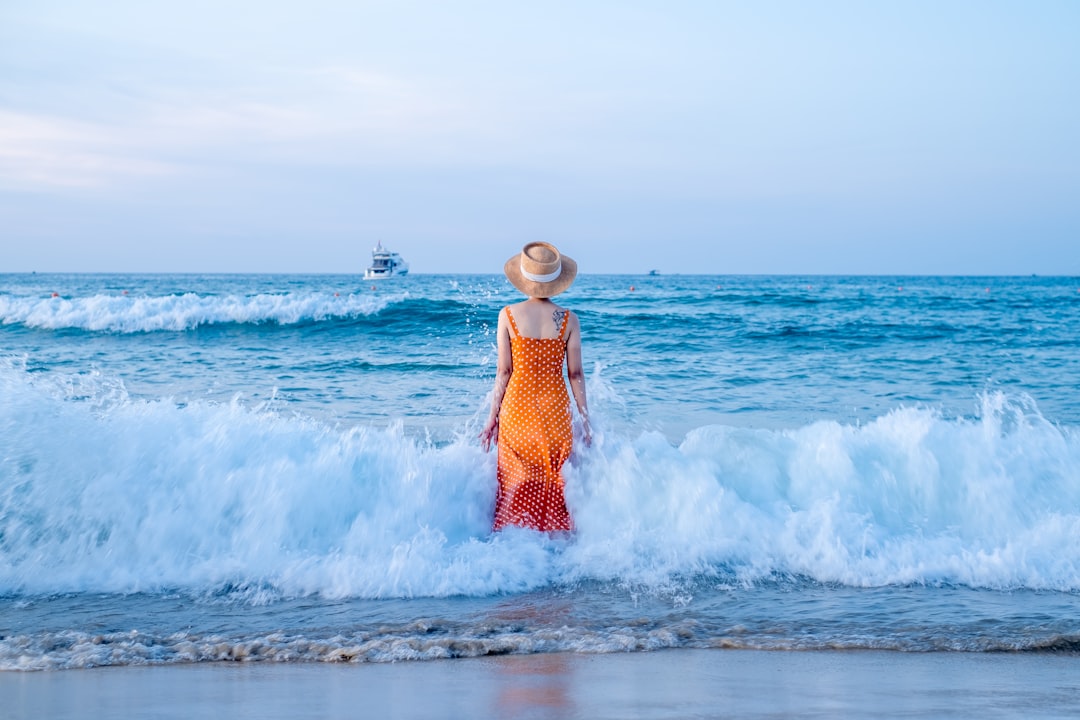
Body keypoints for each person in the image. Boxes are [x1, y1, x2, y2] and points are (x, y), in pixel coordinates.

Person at [479, 242, 592, 533]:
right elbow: (576, 374)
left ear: (523, 278)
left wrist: (492, 418)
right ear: (556, 281)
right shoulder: (569, 320)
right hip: (555, 414)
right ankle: (556, 549)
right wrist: (586, 422)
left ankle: (515, 547)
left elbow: (504, 371)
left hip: (517, 414)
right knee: (554, 485)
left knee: (516, 485)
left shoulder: (507, 315)